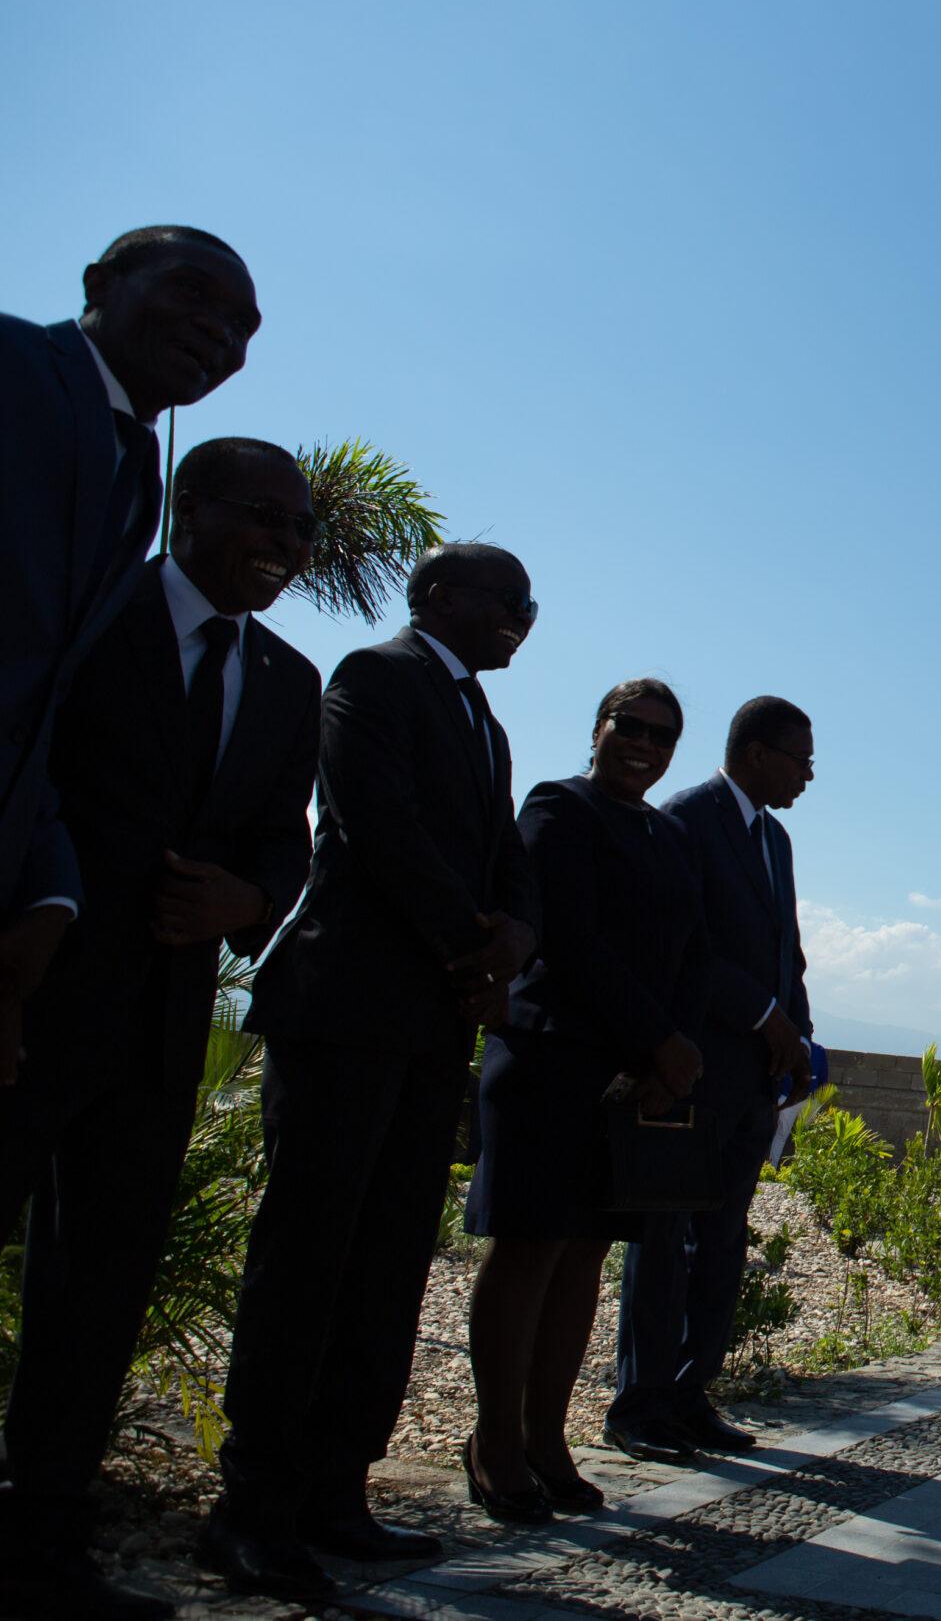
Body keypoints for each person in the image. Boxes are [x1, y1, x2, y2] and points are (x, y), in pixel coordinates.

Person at [0, 439, 318, 1621]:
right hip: (32, 994)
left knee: (99, 1285)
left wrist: (253, 901)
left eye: (302, 533)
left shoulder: (285, 678)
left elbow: (284, 840)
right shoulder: (95, 612)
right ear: (191, 506)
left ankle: (43, 1538)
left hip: (164, 1022)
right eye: (265, 519)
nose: (284, 546)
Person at [200, 543, 541, 1602]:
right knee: (308, 1257)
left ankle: (337, 1493)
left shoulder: (484, 722)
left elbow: (504, 864)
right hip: (346, 1009)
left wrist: (515, 941)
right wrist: (470, 948)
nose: (522, 618)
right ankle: (252, 1509)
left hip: (432, 1026)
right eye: (506, 598)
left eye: (531, 605)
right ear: (440, 597)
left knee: (389, 1263)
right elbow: (373, 823)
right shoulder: (374, 678)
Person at [0, 228, 262, 1094]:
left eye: (242, 326)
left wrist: (46, 887)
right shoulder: (15, 369)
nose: (219, 332)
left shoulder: (137, 468)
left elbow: (41, 704)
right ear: (100, 281)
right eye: (194, 294)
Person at [463, 680, 707, 1525]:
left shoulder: (668, 834)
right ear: (597, 729)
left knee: (583, 1263)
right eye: (630, 726)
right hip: (549, 1060)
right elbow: (568, 937)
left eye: (663, 734)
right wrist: (654, 1038)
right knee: (529, 1250)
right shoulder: (559, 809)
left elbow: (681, 953)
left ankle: (547, 1438)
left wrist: (663, 1050)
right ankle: (495, 1441)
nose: (645, 743)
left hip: (624, 1080)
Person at [607, 696, 820, 1463]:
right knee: (664, 1241)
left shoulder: (775, 838)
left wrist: (796, 1032)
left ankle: (693, 1392)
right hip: (695, 1066)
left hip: (754, 1078)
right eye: (800, 758)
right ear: (757, 752)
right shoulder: (688, 818)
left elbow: (782, 948)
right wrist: (763, 1013)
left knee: (722, 1242)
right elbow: (689, 943)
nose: (809, 773)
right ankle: (641, 1403)